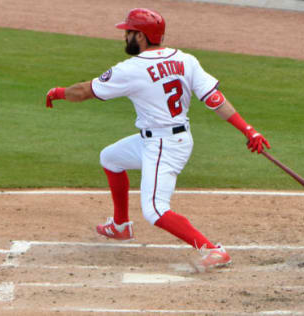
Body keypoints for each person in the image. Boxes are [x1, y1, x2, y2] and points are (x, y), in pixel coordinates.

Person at [45, 8, 270, 271]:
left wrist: (57, 92)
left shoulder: (131, 69)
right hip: (164, 140)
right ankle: (120, 226)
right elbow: (214, 99)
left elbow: (84, 91)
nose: (124, 37)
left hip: (164, 146)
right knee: (110, 157)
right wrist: (248, 130)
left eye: (128, 32)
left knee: (154, 210)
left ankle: (212, 249)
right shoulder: (186, 60)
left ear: (140, 36)